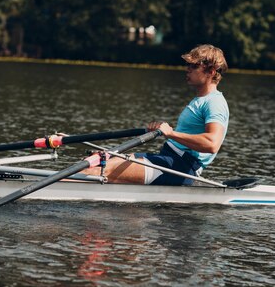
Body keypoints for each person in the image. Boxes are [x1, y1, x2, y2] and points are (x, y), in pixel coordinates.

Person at [84, 44, 229, 185]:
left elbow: (212, 144)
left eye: (194, 66)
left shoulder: (214, 102)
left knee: (101, 171)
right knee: (95, 164)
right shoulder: (201, 99)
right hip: (168, 158)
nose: (188, 69)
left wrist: (171, 133)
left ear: (212, 72)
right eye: (188, 65)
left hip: (180, 167)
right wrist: (161, 129)